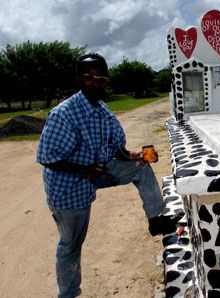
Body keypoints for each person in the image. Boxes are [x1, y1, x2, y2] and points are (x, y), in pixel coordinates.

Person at [36, 52, 181, 298]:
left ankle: (156, 220)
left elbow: (117, 149)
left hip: (97, 172)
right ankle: (68, 294)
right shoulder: (64, 114)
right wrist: (86, 169)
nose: (97, 83)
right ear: (78, 80)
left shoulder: (102, 110)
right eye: (90, 78)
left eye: (102, 79)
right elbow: (47, 157)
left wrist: (134, 156)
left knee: (141, 168)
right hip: (68, 187)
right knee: (71, 245)